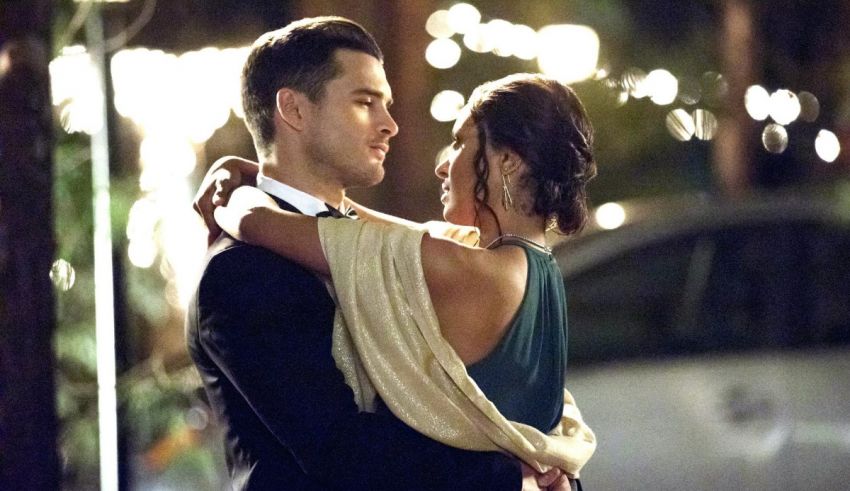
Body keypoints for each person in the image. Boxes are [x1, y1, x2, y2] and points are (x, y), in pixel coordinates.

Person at [186, 16, 572, 490]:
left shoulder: (408, 254)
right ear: (293, 110)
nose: (390, 125)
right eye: (365, 102)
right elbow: (342, 453)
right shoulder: (244, 270)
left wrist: (240, 185)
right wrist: (513, 476)